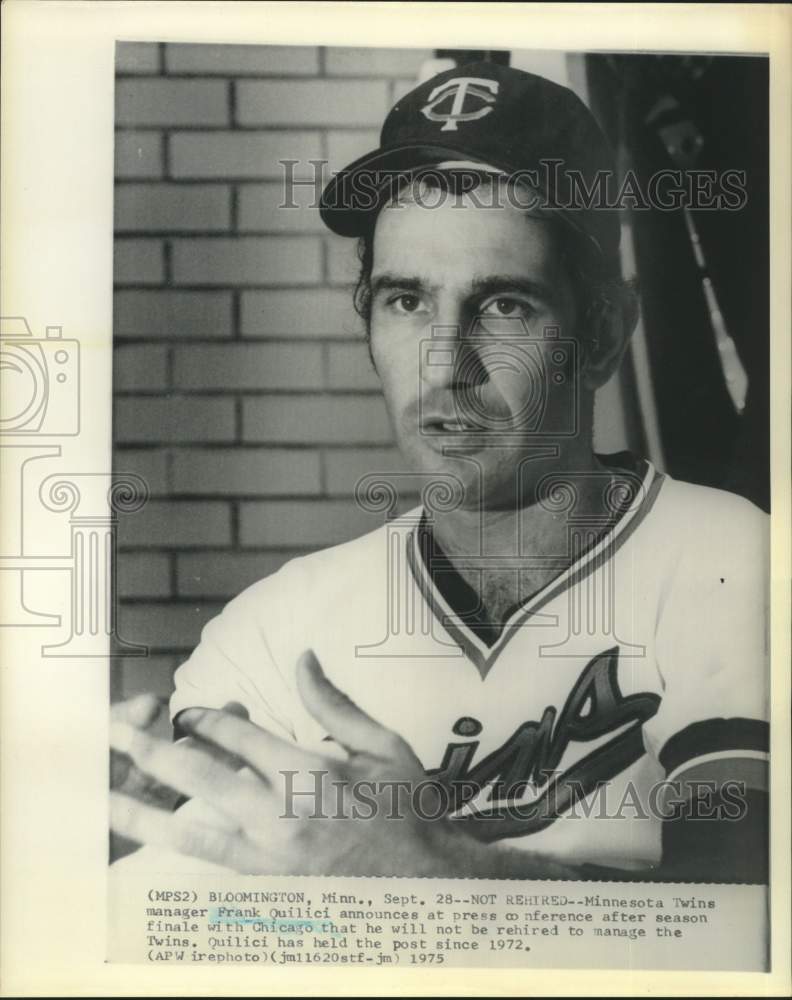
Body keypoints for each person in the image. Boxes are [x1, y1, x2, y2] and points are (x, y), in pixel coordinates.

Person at [110, 61, 768, 882]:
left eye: (504, 304)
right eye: (406, 301)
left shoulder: (731, 561)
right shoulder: (272, 634)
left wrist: (431, 878)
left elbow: (749, 919)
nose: (444, 364)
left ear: (601, 333)